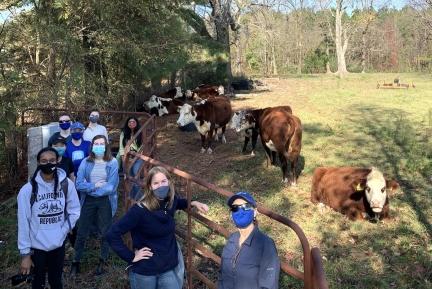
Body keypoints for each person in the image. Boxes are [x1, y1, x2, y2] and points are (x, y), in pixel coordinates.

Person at [105, 166, 209, 289]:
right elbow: (112, 234)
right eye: (156, 183)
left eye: (164, 181)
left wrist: (193, 203)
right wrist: (131, 256)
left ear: (169, 182)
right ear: (150, 186)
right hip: (146, 271)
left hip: (168, 267)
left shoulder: (169, 202)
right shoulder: (139, 211)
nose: (161, 186)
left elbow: (178, 202)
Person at [17, 147, 80, 289]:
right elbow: (23, 223)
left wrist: (64, 230)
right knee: (37, 283)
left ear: (58, 161)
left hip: (58, 245)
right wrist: (25, 254)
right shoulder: (28, 190)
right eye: (44, 161)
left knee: (56, 281)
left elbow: (74, 210)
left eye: (52, 160)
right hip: (37, 246)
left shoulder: (66, 184)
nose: (48, 164)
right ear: (39, 163)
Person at [71, 135, 119, 276]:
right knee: (81, 231)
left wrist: (93, 190)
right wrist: (94, 186)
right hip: (88, 201)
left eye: (101, 143)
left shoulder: (113, 162)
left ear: (106, 145)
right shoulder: (86, 162)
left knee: (106, 232)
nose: (99, 146)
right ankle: (76, 262)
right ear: (92, 146)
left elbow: (111, 187)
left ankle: (102, 260)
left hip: (105, 201)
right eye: (96, 143)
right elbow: (78, 184)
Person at [217, 191, 280, 289]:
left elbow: (268, 286)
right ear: (231, 215)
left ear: (254, 212)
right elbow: (222, 275)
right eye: (235, 208)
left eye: (246, 206)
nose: (240, 211)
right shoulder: (231, 240)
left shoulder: (266, 245)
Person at [116, 116, 144, 200]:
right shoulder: (123, 133)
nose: (131, 123)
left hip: (137, 157)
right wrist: (123, 158)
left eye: (133, 122)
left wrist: (136, 156)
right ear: (127, 124)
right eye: (130, 122)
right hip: (126, 156)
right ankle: (131, 197)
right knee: (129, 177)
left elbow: (142, 147)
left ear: (136, 123)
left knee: (135, 176)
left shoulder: (140, 132)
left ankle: (138, 198)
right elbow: (121, 147)